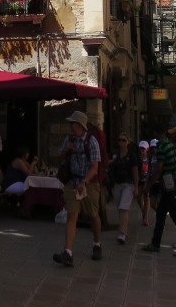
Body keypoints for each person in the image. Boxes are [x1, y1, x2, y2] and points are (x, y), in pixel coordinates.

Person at [52, 111, 102, 266]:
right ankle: (68, 252)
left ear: (80, 125)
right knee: (72, 215)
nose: (70, 126)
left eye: (73, 123)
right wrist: (66, 150)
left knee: (93, 215)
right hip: (72, 182)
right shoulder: (69, 139)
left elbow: (95, 167)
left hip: (89, 184)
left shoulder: (91, 142)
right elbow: (60, 156)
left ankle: (97, 243)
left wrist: (84, 182)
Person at [141, 126, 176, 258]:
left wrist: (149, 185)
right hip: (171, 184)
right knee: (161, 214)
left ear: (156, 133)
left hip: (168, 185)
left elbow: (159, 169)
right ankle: (155, 243)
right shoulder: (171, 145)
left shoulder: (162, 147)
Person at [107, 133, 138, 244]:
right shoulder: (114, 153)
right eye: (120, 140)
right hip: (116, 184)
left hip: (128, 184)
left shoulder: (132, 156)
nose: (121, 142)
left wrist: (136, 186)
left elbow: (135, 171)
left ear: (128, 142)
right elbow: (106, 164)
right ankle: (123, 228)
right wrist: (112, 161)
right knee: (120, 208)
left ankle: (122, 233)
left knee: (123, 207)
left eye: (124, 140)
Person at [136, 140, 152, 226]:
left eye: (143, 149)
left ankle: (145, 217)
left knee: (146, 197)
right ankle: (143, 212)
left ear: (147, 149)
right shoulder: (137, 158)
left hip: (147, 180)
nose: (142, 150)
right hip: (139, 180)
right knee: (139, 197)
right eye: (140, 148)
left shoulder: (149, 159)